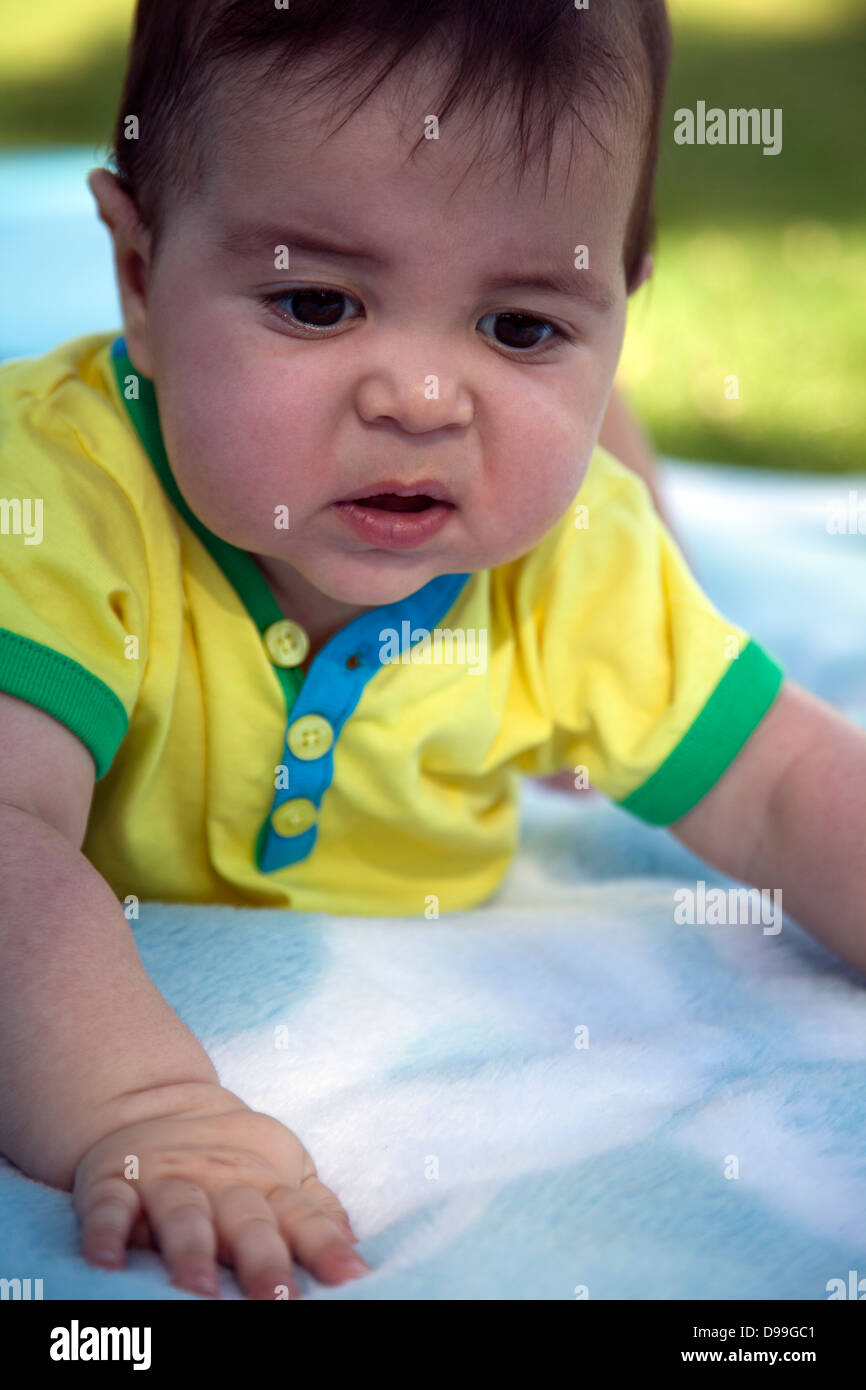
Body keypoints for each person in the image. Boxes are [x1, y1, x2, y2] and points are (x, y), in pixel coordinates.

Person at [1, 0, 863, 1302]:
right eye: (315, 301)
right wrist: (151, 1107)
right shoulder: (58, 502)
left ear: (622, 307)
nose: (418, 396)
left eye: (521, 327)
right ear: (136, 273)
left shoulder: (563, 559)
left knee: (618, 536)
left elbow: (789, 779)